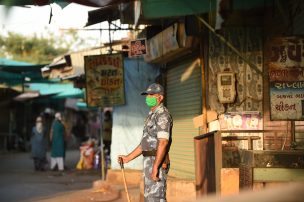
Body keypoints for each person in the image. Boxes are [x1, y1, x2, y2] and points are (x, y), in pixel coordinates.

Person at [118, 83, 173, 202]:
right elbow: (145, 143)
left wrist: (155, 167)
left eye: (152, 95)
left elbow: (163, 143)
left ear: (160, 97)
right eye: (147, 95)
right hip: (149, 162)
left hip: (156, 161)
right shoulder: (151, 115)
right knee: (149, 198)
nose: (148, 97)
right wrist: (128, 158)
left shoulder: (162, 115)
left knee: (156, 198)